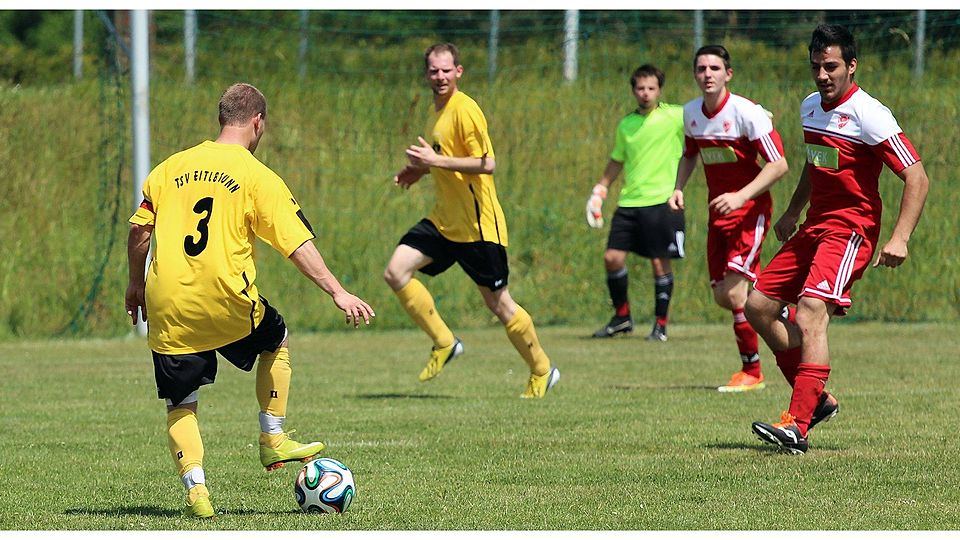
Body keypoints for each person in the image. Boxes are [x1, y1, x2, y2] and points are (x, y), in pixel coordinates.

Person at [125, 83, 375, 518]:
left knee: (181, 402)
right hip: (225, 298)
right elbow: (295, 243)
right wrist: (337, 291)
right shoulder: (256, 175)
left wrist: (134, 284)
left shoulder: (170, 167)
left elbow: (139, 231)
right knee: (276, 337)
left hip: (167, 300)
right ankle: (272, 437)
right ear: (257, 122)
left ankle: (197, 492)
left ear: (222, 118)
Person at [747, 24, 929, 454]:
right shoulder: (810, 107)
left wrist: (900, 238)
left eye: (830, 66)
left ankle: (797, 424)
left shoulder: (870, 114)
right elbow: (816, 164)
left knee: (811, 311)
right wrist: (793, 211)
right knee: (758, 306)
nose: (822, 75)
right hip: (815, 226)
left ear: (851, 66)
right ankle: (817, 401)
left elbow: (917, 177)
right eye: (816, 66)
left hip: (851, 230)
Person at [384, 43, 559, 398]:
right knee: (396, 271)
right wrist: (420, 169)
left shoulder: (465, 110)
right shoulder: (436, 111)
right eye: (434, 70)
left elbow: (486, 163)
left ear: (458, 72)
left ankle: (542, 369)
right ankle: (444, 342)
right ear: (426, 74)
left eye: (446, 70)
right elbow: (445, 157)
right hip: (444, 221)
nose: (440, 76)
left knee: (499, 304)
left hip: (478, 226)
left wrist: (434, 162)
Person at [668, 45, 789, 392]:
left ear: (728, 74)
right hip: (718, 213)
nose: (707, 74)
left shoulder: (747, 113)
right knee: (723, 296)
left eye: (715, 68)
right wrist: (678, 187)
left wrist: (741, 196)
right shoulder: (691, 113)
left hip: (750, 213)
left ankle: (752, 372)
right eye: (701, 68)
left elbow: (779, 164)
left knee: (734, 294)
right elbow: (690, 154)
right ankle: (780, 309)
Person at [586, 64, 686, 342]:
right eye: (640, 88)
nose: (645, 93)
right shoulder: (626, 125)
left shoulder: (675, 116)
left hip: (662, 201)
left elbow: (709, 116)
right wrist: (600, 190)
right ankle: (622, 317)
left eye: (651, 88)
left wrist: (750, 115)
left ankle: (660, 325)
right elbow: (617, 159)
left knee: (659, 263)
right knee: (612, 258)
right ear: (633, 91)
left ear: (659, 90)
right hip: (630, 202)